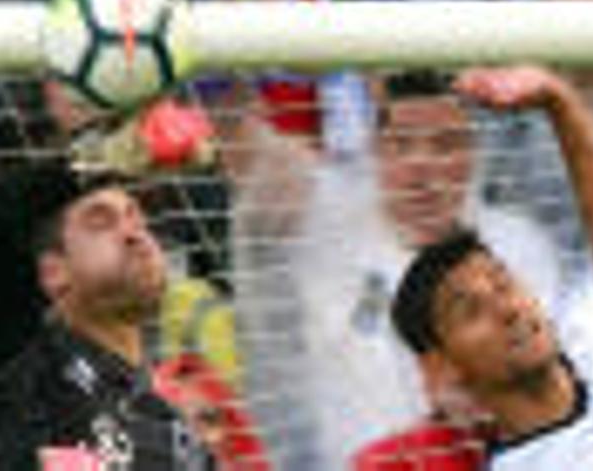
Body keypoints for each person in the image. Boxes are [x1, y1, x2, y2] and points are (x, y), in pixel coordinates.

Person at [228, 67, 561, 469]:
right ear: (374, 149)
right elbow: (242, 141)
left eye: (445, 144)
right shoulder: (326, 225)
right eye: (401, 144)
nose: (422, 168)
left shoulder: (519, 248)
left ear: (476, 152)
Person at [391, 65, 593, 470]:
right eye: (471, 311)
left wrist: (558, 100)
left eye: (504, 284)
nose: (508, 310)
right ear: (442, 369)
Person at [0, 159, 212, 470]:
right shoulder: (23, 371)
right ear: (53, 272)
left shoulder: (174, 432)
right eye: (101, 222)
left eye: (136, 218)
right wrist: (85, 160)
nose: (133, 234)